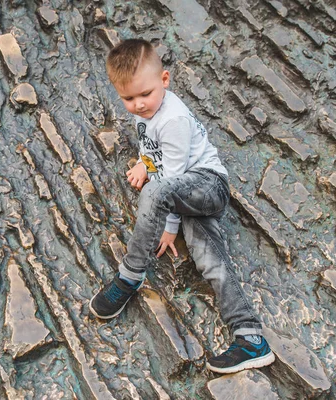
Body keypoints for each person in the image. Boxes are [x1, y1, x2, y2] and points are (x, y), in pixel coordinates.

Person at [89, 39, 275, 374]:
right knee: (210, 261)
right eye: (128, 98)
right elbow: (152, 147)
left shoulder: (173, 119)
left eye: (144, 94)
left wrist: (169, 227)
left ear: (165, 79)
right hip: (187, 195)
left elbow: (169, 182)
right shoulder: (148, 112)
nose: (138, 104)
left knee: (155, 192)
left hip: (206, 185)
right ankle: (251, 338)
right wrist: (146, 163)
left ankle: (129, 277)